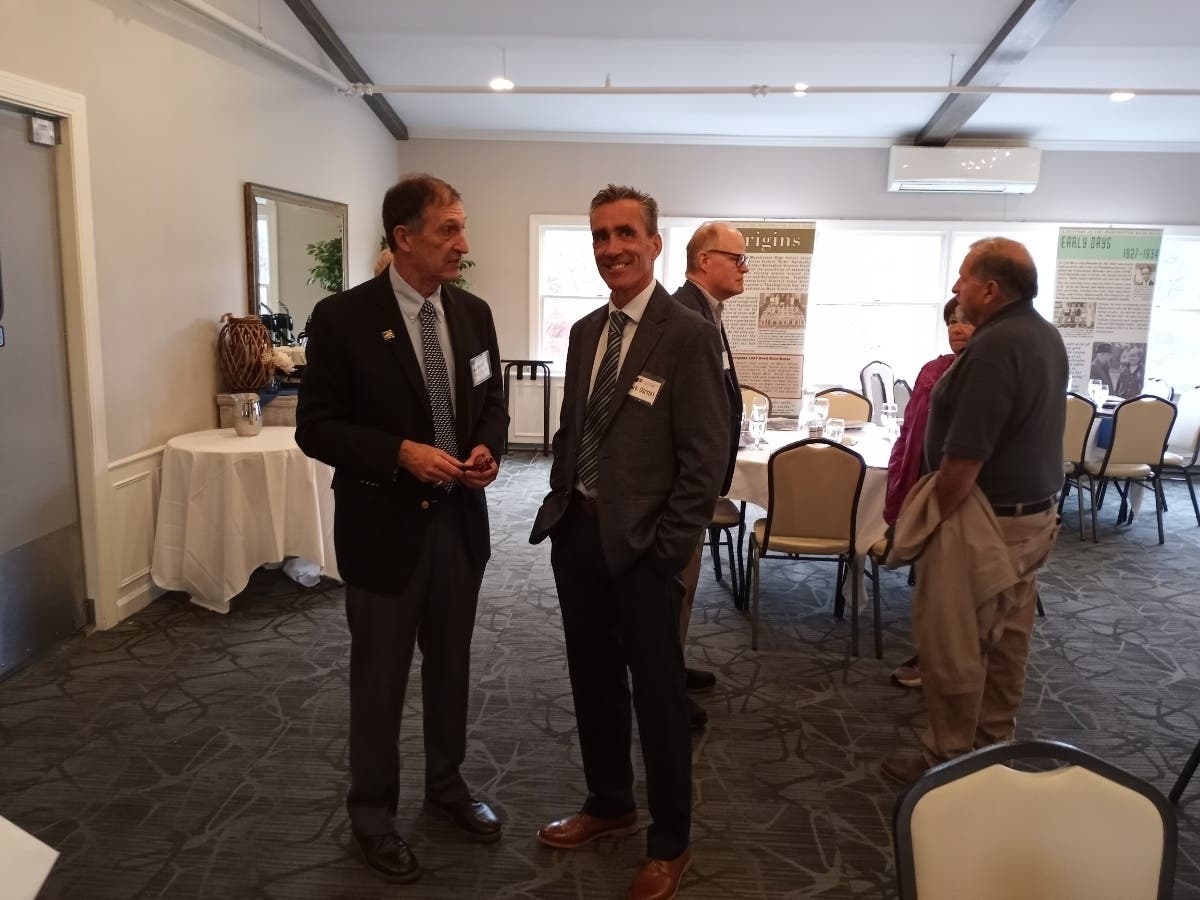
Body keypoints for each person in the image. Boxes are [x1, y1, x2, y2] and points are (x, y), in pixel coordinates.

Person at [296, 174, 509, 884]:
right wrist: (399, 454)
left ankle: (447, 789)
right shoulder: (342, 318)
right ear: (403, 238)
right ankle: (372, 817)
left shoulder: (474, 315)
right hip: (384, 532)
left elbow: (491, 404)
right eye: (449, 230)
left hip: (459, 528)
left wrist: (486, 450)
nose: (463, 244)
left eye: (462, 227)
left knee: (451, 672)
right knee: (379, 682)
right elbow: (316, 427)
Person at [529, 185, 729, 900]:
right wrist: (561, 499)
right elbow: (574, 432)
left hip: (646, 549)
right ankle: (610, 803)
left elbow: (706, 458)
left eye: (624, 235)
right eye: (600, 237)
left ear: (654, 243)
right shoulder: (587, 331)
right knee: (592, 682)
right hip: (578, 536)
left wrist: (667, 549)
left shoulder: (688, 333)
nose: (611, 248)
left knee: (658, 696)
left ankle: (670, 840)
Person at [880, 237, 1067, 786]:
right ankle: (993, 746)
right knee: (1008, 640)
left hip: (982, 516)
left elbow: (963, 460)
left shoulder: (993, 346)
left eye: (962, 278)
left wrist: (936, 515)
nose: (955, 288)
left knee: (954, 643)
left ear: (990, 288)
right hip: (1032, 516)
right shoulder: (1045, 335)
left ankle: (950, 757)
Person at [672, 221, 748, 729]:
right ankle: (659, 686)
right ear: (705, 261)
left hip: (696, 484)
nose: (745, 268)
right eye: (737, 259)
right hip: (680, 488)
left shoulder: (707, 312)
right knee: (672, 586)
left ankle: (669, 667)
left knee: (682, 587)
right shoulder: (683, 316)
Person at [883, 297, 976, 689]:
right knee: (931, 579)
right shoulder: (932, 370)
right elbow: (910, 430)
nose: (957, 328)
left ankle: (943, 662)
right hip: (925, 481)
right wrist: (899, 484)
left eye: (967, 321)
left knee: (957, 583)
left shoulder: (984, 373)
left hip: (962, 487)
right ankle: (931, 653)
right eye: (953, 321)